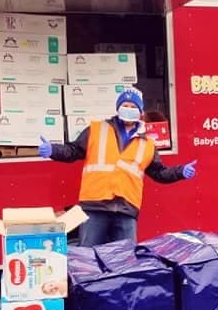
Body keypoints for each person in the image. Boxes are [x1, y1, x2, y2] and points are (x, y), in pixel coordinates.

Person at [39, 87, 197, 245]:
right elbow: (73, 150)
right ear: (118, 107)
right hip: (94, 207)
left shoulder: (148, 143)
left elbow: (159, 172)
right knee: (88, 255)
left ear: (140, 111)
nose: (129, 109)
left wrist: (180, 172)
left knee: (126, 256)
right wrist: (53, 150)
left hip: (126, 210)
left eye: (133, 106)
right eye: (125, 105)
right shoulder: (97, 129)